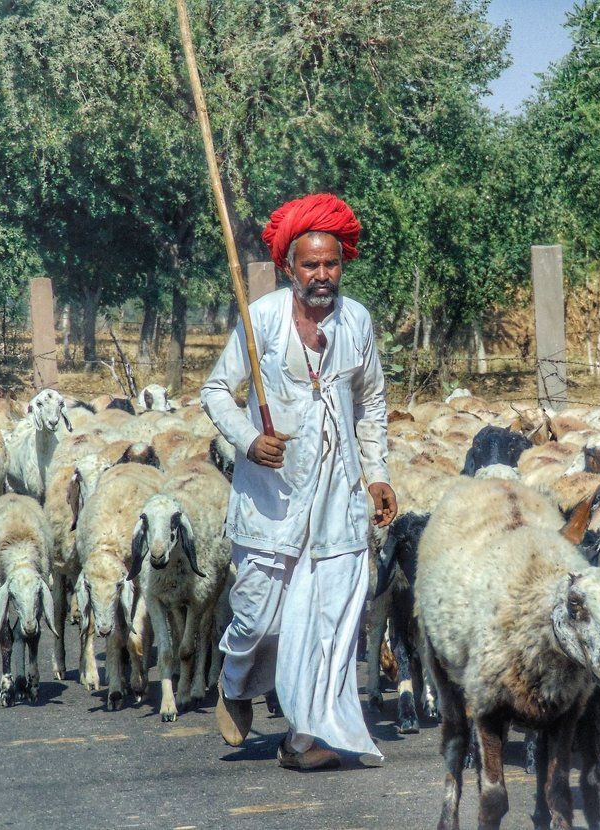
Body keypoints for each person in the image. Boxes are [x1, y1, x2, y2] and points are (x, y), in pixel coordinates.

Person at [201, 192, 397, 770]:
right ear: (291, 268)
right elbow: (217, 391)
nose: (322, 275)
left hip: (336, 497)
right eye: (310, 265)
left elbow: (372, 402)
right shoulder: (262, 319)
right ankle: (236, 681)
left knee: (327, 618)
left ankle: (306, 737)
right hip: (273, 498)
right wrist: (249, 440)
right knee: (258, 617)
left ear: (342, 264)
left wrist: (377, 475)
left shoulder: (356, 322)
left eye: (331, 263)